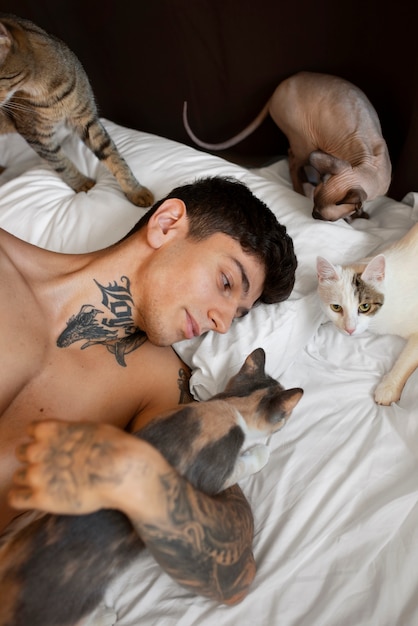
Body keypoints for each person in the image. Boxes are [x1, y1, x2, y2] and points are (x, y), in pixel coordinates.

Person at [1, 176, 296, 604]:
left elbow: (234, 575)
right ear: (167, 223)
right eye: (227, 283)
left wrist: (141, 479)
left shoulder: (159, 387)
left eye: (238, 314)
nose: (223, 322)